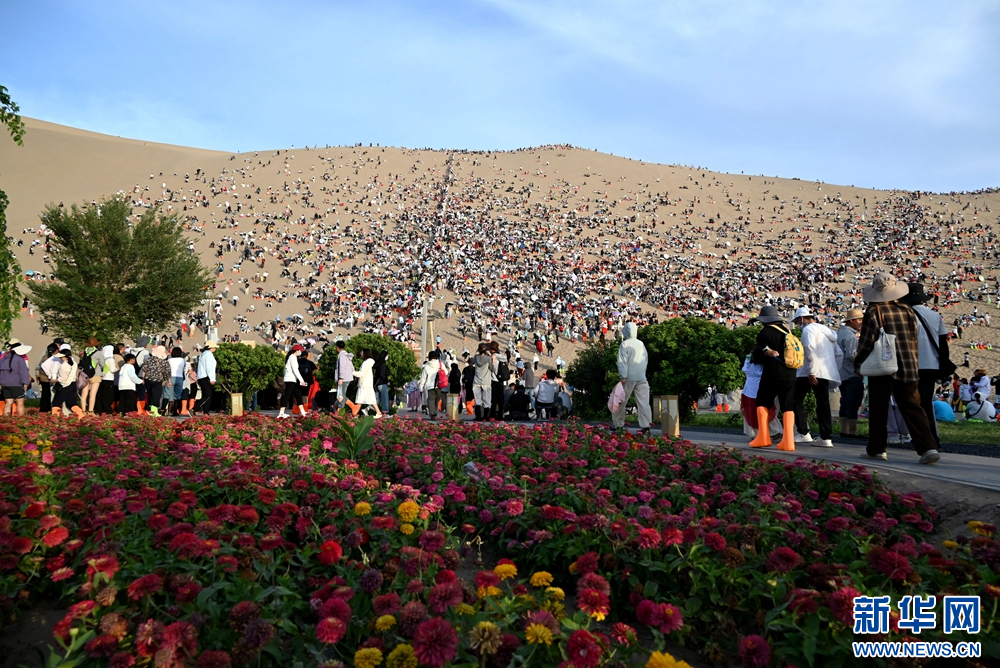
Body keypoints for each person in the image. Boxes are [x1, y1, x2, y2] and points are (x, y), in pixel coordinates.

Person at [854, 274, 939, 464]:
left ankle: (877, 449)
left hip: (883, 366)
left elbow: (866, 342)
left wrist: (858, 364)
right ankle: (928, 447)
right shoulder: (907, 309)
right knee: (913, 407)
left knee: (879, 409)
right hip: (908, 364)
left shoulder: (874, 311)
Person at [903, 283, 950, 448]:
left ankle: (923, 439)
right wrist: (943, 365)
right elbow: (943, 343)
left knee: (912, 403)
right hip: (931, 364)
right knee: (926, 402)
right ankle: (932, 437)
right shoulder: (935, 316)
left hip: (911, 364)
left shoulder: (905, 315)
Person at [791, 307, 842, 448]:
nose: (797, 325)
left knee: (796, 399)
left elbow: (809, 349)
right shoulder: (828, 332)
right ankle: (826, 437)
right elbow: (839, 354)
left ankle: (803, 432)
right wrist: (833, 369)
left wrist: (811, 371)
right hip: (826, 371)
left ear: (801, 318)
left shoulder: (808, 330)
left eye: (797, 321)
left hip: (809, 371)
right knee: (823, 403)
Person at [748, 305, 797, 450]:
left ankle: (763, 437)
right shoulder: (787, 331)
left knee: (762, 402)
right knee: (787, 405)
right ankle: (788, 441)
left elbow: (761, 352)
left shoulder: (764, 333)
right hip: (790, 372)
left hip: (773, 373)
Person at [611, 322, 652, 434]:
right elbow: (645, 359)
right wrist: (643, 372)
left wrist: (623, 376)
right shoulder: (641, 343)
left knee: (620, 401)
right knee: (644, 403)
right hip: (641, 377)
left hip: (628, 377)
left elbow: (622, 362)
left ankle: (617, 425)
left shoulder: (625, 344)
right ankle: (646, 426)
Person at [836, 309, 865, 437]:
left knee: (844, 402)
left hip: (841, 372)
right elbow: (852, 355)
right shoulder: (850, 336)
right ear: (851, 320)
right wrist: (860, 367)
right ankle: (853, 431)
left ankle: (844, 430)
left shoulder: (840, 333)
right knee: (853, 403)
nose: (861, 322)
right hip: (852, 373)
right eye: (859, 319)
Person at [740, 353, 778, 439]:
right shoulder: (767, 359)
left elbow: (745, 369)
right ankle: (774, 431)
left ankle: (755, 433)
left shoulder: (749, 358)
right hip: (763, 386)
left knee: (751, 411)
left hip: (750, 388)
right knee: (766, 409)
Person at [51, 347, 84, 420]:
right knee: (72, 403)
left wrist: (54, 380)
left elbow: (62, 379)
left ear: (64, 357)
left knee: (56, 403)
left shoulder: (63, 366)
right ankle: (81, 416)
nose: (60, 358)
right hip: (73, 384)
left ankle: (55, 419)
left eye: (61, 357)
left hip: (65, 386)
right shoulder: (74, 363)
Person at [0, 341, 32, 416]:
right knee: (20, 403)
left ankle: (6, 420)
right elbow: (24, 372)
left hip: (4, 384)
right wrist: (26, 383)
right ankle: (21, 419)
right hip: (16, 384)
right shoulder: (20, 360)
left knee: (8, 403)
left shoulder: (3, 359)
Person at [278, 345, 307, 418]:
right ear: (297, 350)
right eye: (300, 350)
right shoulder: (292, 357)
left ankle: (303, 411)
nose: (300, 352)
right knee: (287, 395)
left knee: (298, 395)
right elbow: (295, 370)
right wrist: (302, 381)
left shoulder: (292, 357)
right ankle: (281, 413)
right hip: (290, 379)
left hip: (292, 379)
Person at [352, 349, 382, 418]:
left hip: (363, 384)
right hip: (367, 384)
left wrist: (352, 372)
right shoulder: (369, 362)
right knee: (370, 399)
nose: (361, 354)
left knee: (359, 399)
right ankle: (378, 412)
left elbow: (361, 373)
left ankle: (354, 414)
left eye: (362, 352)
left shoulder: (365, 363)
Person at [142, 345, 171, 416]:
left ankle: (149, 409)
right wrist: (169, 381)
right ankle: (154, 411)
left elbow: (144, 370)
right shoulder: (164, 362)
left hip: (148, 379)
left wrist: (143, 378)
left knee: (149, 394)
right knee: (156, 395)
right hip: (158, 380)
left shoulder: (149, 359)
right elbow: (167, 372)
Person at [79, 338, 104, 414]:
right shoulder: (98, 353)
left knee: (84, 394)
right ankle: (90, 411)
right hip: (96, 374)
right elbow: (102, 364)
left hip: (85, 375)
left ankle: (83, 411)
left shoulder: (84, 352)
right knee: (92, 394)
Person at [472, 343, 494, 421]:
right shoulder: (488, 358)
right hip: (486, 381)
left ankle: (478, 416)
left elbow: (475, 357)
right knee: (487, 400)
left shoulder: (476, 357)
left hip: (476, 380)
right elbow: (492, 369)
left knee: (477, 400)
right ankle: (485, 416)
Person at [419, 350, 444, 419]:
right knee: (436, 400)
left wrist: (421, 387)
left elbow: (423, 378)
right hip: (439, 385)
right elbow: (446, 373)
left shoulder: (426, 366)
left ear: (429, 357)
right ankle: (435, 412)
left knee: (431, 400)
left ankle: (432, 414)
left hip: (430, 386)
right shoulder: (440, 364)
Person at [196, 340, 218, 416]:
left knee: (205, 394)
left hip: (201, 377)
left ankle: (206, 412)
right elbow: (209, 368)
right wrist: (212, 378)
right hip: (205, 377)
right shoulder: (208, 354)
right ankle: (195, 408)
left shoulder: (203, 354)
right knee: (208, 395)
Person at [36, 342, 59, 413]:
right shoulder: (55, 358)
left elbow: (39, 366)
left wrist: (38, 375)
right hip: (50, 379)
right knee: (51, 394)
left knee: (45, 394)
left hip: (43, 378)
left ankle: (44, 409)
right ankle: (50, 408)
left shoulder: (44, 357)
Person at [333, 341, 355, 412]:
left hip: (343, 379)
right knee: (342, 395)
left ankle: (340, 413)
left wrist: (341, 378)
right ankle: (353, 407)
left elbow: (342, 367)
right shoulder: (347, 355)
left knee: (340, 396)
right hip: (347, 378)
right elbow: (352, 368)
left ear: (337, 347)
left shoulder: (342, 356)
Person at [168, 347, 188, 415]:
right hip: (180, 377)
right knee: (177, 395)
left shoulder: (169, 360)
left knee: (169, 394)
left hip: (171, 377)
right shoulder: (183, 360)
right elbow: (184, 368)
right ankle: (175, 411)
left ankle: (168, 410)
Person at [372, 350, 389, 415]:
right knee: (385, 399)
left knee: (377, 399)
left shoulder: (378, 363)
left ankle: (368, 409)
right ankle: (385, 413)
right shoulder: (383, 364)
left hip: (377, 384)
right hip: (382, 384)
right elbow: (382, 374)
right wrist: (387, 381)